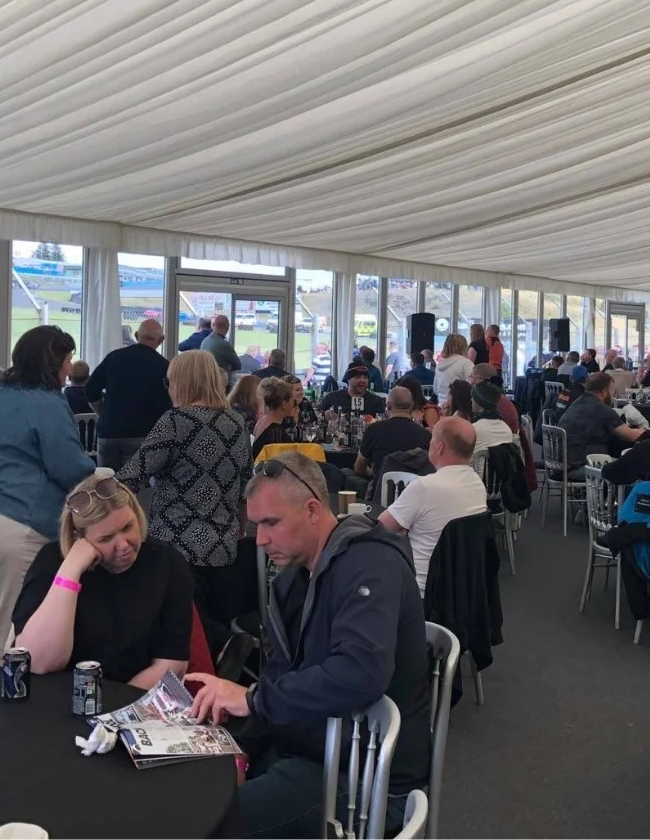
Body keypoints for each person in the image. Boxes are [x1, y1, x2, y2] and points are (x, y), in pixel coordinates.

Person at [186, 453, 430, 838]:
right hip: (313, 747)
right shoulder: (292, 580)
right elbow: (282, 679)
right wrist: (243, 745)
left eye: (271, 523)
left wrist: (251, 700)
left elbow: (361, 673)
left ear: (313, 509)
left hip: (364, 773)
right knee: (195, 789)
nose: (261, 540)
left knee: (207, 822)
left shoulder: (370, 563)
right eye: (256, 526)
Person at [0, 326, 96, 666]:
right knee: (9, 631)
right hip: (16, 521)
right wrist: (102, 475)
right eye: (67, 360)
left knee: (4, 622)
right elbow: (68, 465)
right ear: (54, 362)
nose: (69, 369)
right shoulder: (46, 402)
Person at [116, 350, 252, 651]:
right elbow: (245, 486)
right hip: (224, 545)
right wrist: (239, 531)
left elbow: (131, 477)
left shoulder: (176, 421)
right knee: (205, 626)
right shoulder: (237, 423)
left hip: (176, 545)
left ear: (181, 382)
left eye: (169, 381)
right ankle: (225, 650)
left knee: (180, 633)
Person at [12, 473, 193, 687]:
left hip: (132, 696)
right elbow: (39, 662)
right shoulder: (52, 561)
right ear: (78, 538)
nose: (123, 545)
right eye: (106, 539)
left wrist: (118, 709)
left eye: (127, 527)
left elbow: (172, 663)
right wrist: (71, 570)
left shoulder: (167, 563)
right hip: (58, 694)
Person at [379, 417, 486, 595]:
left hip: (418, 590)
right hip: (461, 589)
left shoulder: (425, 487)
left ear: (439, 447)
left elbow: (381, 528)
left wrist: (406, 528)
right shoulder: (477, 485)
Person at [85, 319, 173, 471]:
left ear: (138, 335)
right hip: (142, 435)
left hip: (109, 432)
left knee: (106, 487)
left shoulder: (114, 358)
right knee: (133, 490)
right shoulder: (164, 366)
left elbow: (90, 389)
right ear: (161, 340)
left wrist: (103, 412)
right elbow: (168, 405)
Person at [353, 387, 431, 495]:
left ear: (388, 405)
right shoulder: (425, 435)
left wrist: (375, 473)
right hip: (416, 496)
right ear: (412, 406)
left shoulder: (374, 430)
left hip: (380, 496)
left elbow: (359, 467)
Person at [560, 372, 643, 464]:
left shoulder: (577, 403)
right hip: (583, 464)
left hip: (563, 462)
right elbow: (631, 436)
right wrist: (642, 430)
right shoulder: (601, 409)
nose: (612, 397)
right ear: (604, 392)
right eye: (612, 392)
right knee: (629, 466)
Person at [252, 378, 297, 458]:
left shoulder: (262, 421)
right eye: (292, 401)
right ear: (284, 404)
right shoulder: (275, 431)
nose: (294, 405)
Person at [471, 381, 520, 454]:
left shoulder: (473, 430)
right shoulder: (506, 429)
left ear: (478, 402)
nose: (471, 400)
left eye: (473, 398)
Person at [319, 365, 385, 415]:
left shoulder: (377, 402)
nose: (363, 380)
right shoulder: (331, 398)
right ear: (349, 380)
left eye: (365, 377)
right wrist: (324, 416)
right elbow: (317, 418)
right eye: (358, 377)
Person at [433, 333, 474, 405]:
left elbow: (436, 390)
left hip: (441, 406)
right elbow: (472, 387)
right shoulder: (466, 363)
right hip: (460, 407)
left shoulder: (440, 364)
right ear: (464, 347)